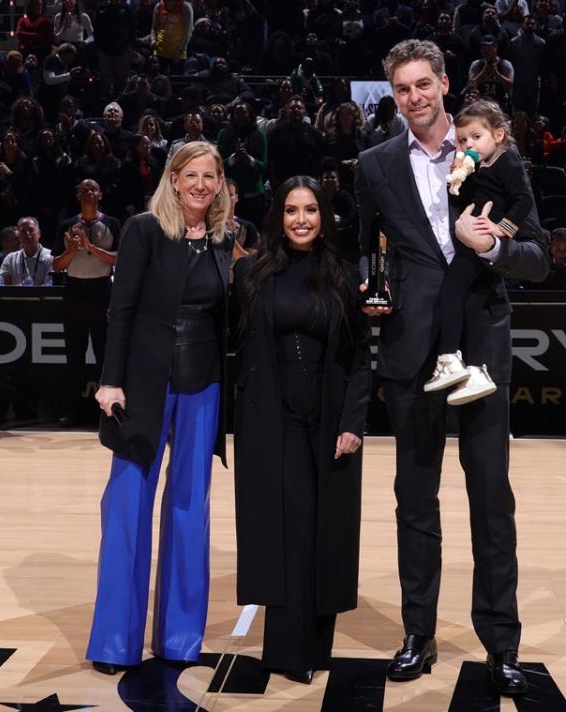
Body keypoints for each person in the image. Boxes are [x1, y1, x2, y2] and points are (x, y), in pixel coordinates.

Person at [354, 39, 548, 695]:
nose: (414, 97)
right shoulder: (375, 165)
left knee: (491, 502)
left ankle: (501, 644)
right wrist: (370, 286)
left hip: (477, 351)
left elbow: (539, 257)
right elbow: (365, 253)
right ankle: (418, 634)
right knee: (416, 501)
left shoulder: (493, 156)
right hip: (414, 353)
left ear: (443, 84)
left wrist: (492, 249)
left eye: (422, 85)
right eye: (402, 88)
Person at [86, 141, 233, 674]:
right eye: (190, 175)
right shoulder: (144, 230)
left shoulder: (224, 238)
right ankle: (114, 643)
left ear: (220, 185)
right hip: (144, 386)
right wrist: (111, 382)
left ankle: (179, 638)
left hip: (204, 385)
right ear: (173, 179)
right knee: (127, 505)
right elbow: (120, 311)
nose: (199, 184)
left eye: (209, 176)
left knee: (190, 508)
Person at [232, 175, 371, 684]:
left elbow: (360, 358)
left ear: (324, 216)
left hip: (330, 415)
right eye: (291, 210)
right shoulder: (251, 273)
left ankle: (317, 647)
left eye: (310, 210)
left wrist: (353, 422)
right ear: (278, 217)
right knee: (291, 523)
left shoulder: (344, 274)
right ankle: (288, 651)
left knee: (326, 528)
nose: (301, 220)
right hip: (273, 415)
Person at [425, 99, 541, 406]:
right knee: (472, 301)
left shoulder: (508, 160)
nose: (468, 144)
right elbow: (467, 194)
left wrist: (501, 230)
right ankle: (476, 371)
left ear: (499, 135)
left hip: (479, 240)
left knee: (450, 293)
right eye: (462, 139)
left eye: (476, 137)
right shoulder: (478, 162)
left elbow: (523, 201)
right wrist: (458, 178)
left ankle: (449, 358)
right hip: (473, 240)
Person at [52, 179, 120, 427]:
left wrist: (90, 247)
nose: (89, 192)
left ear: (100, 194)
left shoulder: (112, 223)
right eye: (84, 190)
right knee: (74, 355)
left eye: (93, 189)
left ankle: (107, 413)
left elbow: (118, 259)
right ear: (78, 195)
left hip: (102, 291)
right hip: (75, 292)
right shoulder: (67, 225)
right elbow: (56, 265)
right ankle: (72, 411)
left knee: (104, 355)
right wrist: (71, 251)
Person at [0, 216, 54, 285]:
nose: (27, 234)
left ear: (39, 233)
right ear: (19, 235)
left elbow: (50, 285)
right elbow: (4, 287)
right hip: (16, 295)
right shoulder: (10, 259)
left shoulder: (51, 256)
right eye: (23, 231)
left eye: (31, 230)